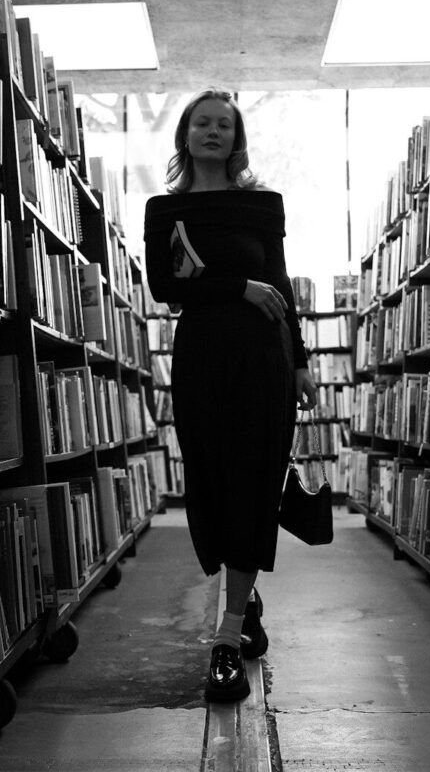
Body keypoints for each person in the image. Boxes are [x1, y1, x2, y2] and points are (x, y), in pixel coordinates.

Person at [143, 89, 318, 703]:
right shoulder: (164, 211)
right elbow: (165, 288)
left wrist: (300, 361)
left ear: (236, 136)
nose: (213, 131)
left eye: (225, 123)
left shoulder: (263, 204)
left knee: (251, 481)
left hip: (263, 358)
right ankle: (244, 601)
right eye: (202, 122)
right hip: (200, 357)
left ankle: (226, 636)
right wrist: (236, 286)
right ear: (185, 135)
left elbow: (281, 287)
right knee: (212, 484)